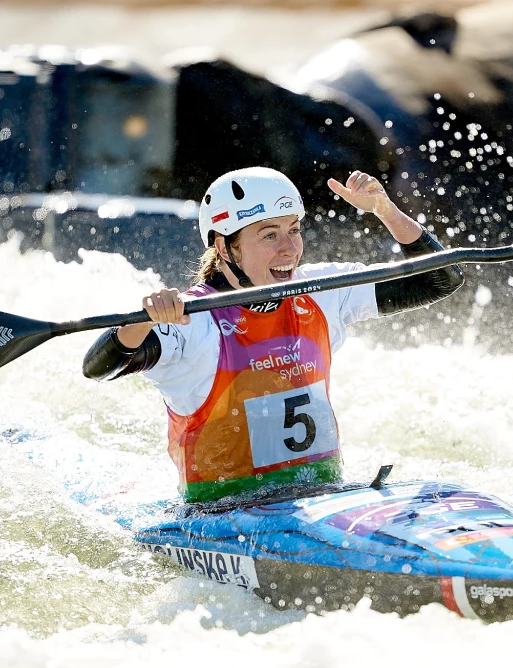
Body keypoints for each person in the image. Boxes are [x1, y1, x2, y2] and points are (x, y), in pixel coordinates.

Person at [83, 167, 464, 503]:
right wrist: (142, 322)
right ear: (225, 247)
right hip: (222, 513)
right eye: (269, 236)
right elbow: (98, 368)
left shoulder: (322, 290)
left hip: (320, 497)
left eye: (294, 231)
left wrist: (385, 210)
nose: (290, 249)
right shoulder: (192, 319)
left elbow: (441, 280)